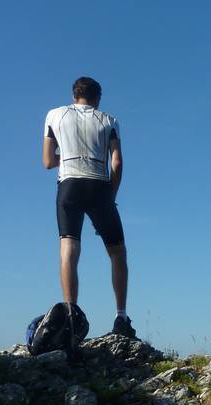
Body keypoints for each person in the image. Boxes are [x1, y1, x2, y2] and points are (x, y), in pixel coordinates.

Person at [42, 76, 135, 338]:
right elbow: (116, 163)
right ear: (97, 98)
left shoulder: (54, 115)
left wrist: (69, 155)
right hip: (99, 186)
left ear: (74, 96)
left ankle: (71, 314)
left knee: (69, 246)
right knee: (117, 252)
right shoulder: (109, 120)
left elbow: (48, 161)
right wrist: (111, 195)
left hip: (69, 183)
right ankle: (121, 317)